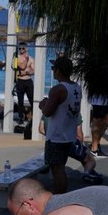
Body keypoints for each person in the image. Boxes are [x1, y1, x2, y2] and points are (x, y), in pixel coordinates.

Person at [39, 56, 82, 194]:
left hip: (56, 136)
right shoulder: (77, 87)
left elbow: (48, 112)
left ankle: (60, 198)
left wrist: (43, 104)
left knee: (57, 170)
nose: (52, 71)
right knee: (61, 168)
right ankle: (62, 195)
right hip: (69, 135)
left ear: (58, 71)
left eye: (53, 68)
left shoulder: (58, 89)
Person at [37, 111, 103, 184]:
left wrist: (53, 135)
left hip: (52, 143)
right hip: (69, 142)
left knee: (58, 168)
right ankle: (87, 173)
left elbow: (41, 129)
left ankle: (55, 186)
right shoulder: (73, 110)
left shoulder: (48, 109)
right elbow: (79, 135)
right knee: (90, 159)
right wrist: (82, 148)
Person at [88, 92, 108, 158]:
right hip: (97, 100)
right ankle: (94, 149)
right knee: (97, 122)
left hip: (105, 99)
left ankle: (95, 144)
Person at [14, 44, 34, 124]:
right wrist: (26, 59)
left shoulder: (32, 59)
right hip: (20, 81)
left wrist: (26, 72)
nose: (21, 50)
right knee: (20, 101)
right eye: (20, 48)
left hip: (28, 81)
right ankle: (21, 118)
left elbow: (33, 71)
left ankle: (33, 117)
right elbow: (22, 66)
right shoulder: (17, 58)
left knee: (32, 99)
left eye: (23, 48)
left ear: (26, 49)